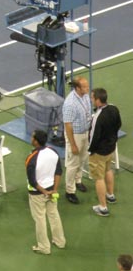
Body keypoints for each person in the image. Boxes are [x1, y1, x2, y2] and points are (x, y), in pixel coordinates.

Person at [25, 129, 65, 255]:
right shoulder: (53, 152)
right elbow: (58, 172)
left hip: (37, 194)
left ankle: (44, 247)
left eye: (33, 137)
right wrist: (54, 190)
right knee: (54, 215)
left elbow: (32, 181)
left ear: (36, 141)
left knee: (40, 219)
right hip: (52, 191)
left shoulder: (31, 158)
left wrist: (44, 192)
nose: (31, 139)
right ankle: (60, 241)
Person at [88, 87, 122, 217]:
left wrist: (90, 150)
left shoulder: (98, 116)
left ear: (97, 100)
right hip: (110, 148)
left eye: (92, 98)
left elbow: (93, 137)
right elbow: (119, 124)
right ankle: (110, 195)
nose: (91, 100)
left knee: (98, 178)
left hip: (99, 152)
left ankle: (103, 207)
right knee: (108, 170)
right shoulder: (114, 108)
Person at [62, 77, 91, 204]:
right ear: (77, 88)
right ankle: (70, 191)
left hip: (85, 133)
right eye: (85, 87)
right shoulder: (70, 103)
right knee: (73, 164)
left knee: (83, 158)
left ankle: (78, 180)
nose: (87, 88)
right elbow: (67, 125)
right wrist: (73, 144)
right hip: (75, 136)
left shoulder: (85, 96)